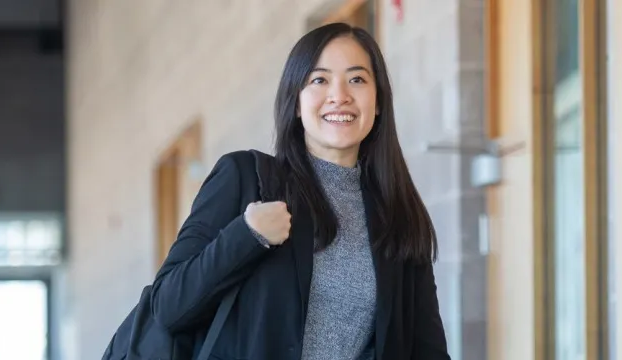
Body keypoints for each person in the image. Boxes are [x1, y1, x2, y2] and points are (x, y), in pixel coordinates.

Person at [146, 22, 450, 360]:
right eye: (319, 80)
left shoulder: (396, 215)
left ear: (378, 103)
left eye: (357, 79)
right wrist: (246, 236)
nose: (340, 96)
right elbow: (168, 306)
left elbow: (428, 350)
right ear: (295, 102)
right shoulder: (246, 179)